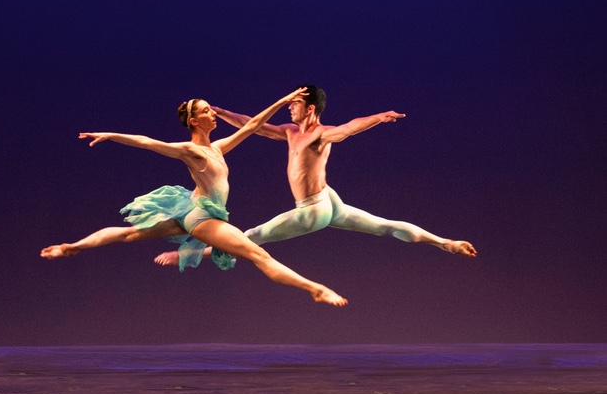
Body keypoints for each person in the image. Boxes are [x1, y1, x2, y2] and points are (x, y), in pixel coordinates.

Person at [40, 88, 347, 307]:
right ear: (194, 122)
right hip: (202, 217)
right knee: (259, 256)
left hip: (192, 208)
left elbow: (252, 126)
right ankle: (315, 289)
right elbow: (148, 142)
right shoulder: (190, 150)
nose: (212, 113)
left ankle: (71, 247)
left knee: (129, 234)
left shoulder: (218, 147)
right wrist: (110, 135)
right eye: (205, 111)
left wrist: (279, 102)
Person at [155, 85, 476, 269]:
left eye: (295, 104)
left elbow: (348, 128)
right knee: (385, 226)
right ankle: (445, 243)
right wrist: (222, 112)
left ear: (309, 108)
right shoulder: (290, 132)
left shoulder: (321, 134)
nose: (290, 109)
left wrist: (378, 117)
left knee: (252, 236)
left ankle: (190, 254)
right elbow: (253, 125)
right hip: (330, 200)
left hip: (313, 209)